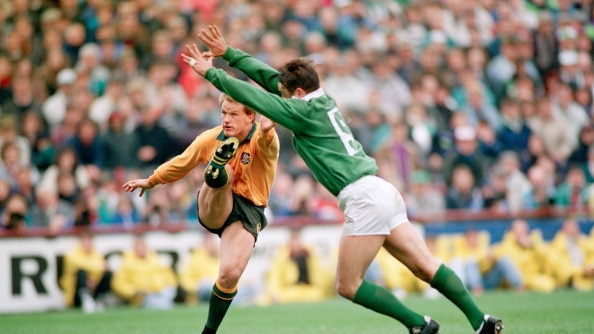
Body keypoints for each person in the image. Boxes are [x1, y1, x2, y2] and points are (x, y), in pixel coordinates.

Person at [183, 24, 503, 334]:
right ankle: (481, 321)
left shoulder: (303, 113)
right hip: (381, 189)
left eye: (285, 93)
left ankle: (419, 324)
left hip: (363, 196)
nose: (279, 95)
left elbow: (256, 98)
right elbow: (271, 81)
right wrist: (231, 54)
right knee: (425, 266)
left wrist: (213, 73)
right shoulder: (319, 100)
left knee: (348, 286)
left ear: (297, 92)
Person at [122, 92, 279, 332]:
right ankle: (216, 170)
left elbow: (268, 146)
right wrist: (152, 180)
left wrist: (267, 131)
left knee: (229, 274)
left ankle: (209, 331)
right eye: (224, 113)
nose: (226, 119)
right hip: (215, 203)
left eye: (233, 114)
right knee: (224, 172)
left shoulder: (263, 137)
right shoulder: (209, 138)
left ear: (250, 117)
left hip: (249, 210)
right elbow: (182, 163)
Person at [111, 234, 178, 309]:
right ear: (134, 249)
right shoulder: (127, 264)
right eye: (139, 247)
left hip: (161, 293)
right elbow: (119, 284)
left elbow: (170, 278)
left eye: (143, 247)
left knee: (165, 301)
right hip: (141, 299)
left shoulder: (156, 260)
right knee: (160, 304)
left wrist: (168, 288)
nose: (142, 250)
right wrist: (135, 292)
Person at [59, 231, 113, 313]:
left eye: (90, 241)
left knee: (108, 274)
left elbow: (104, 268)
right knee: (81, 273)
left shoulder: (96, 254)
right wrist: (99, 268)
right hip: (75, 293)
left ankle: (99, 299)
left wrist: (94, 279)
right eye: (86, 242)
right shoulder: (71, 255)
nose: (88, 244)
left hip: (93, 287)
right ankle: (85, 299)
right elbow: (83, 265)